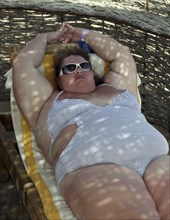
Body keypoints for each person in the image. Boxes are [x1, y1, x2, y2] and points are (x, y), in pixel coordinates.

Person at [12, 22, 170, 220]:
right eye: (69, 68)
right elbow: (22, 65)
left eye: (83, 65)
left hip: (157, 161)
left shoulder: (117, 86)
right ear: (59, 80)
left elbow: (121, 54)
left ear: (92, 73)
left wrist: (82, 33)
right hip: (96, 168)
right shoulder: (46, 102)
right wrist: (44, 38)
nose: (79, 70)